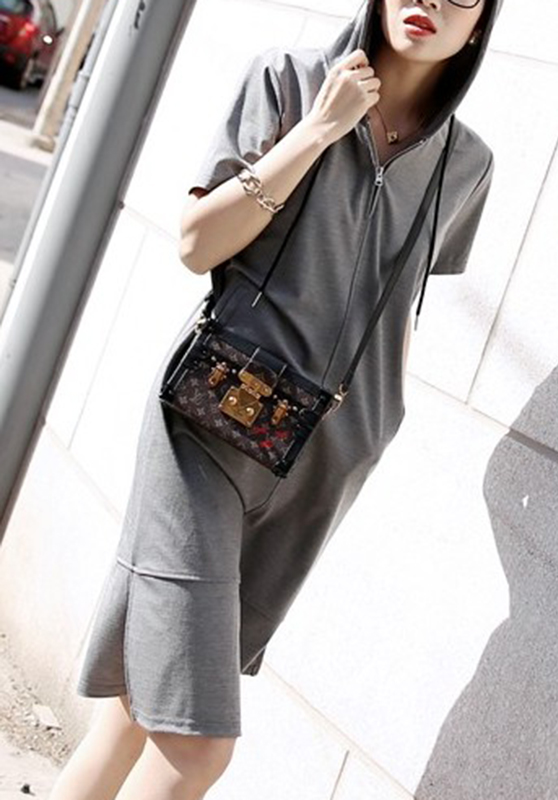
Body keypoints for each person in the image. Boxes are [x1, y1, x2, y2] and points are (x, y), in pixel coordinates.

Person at [49, 0, 500, 797]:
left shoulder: (466, 163)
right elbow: (198, 244)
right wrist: (319, 130)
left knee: (136, 710)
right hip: (209, 431)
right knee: (198, 745)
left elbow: (397, 303)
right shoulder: (288, 80)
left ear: (483, 21)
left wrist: (376, 424)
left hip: (318, 471)